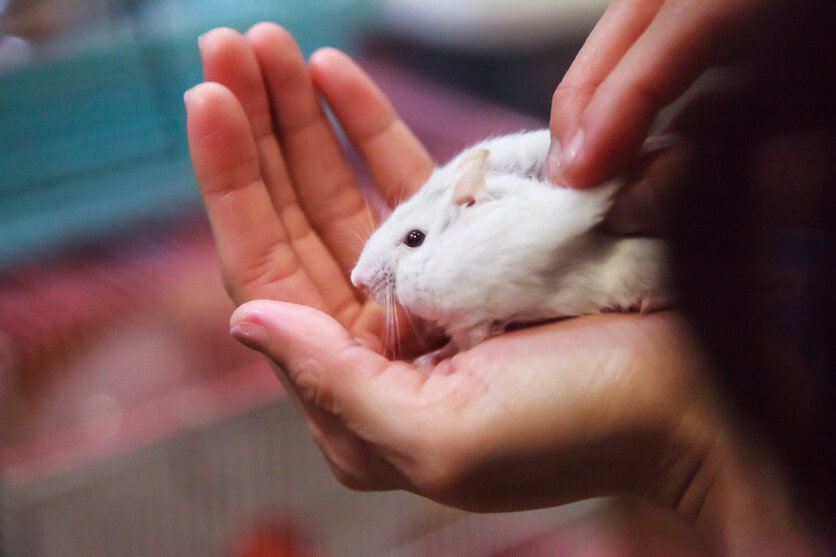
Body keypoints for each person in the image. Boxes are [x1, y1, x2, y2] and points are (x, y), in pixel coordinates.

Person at [184, 1, 834, 553]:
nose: (363, 276)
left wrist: (700, 447)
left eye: (411, 239)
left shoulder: (511, 226)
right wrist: (695, 440)